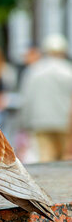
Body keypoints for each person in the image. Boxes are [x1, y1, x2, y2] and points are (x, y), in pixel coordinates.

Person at [19, 34, 72, 162]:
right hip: (65, 124)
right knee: (66, 163)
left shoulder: (34, 71)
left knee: (46, 162)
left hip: (41, 123)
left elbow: (26, 100)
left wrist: (25, 123)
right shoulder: (69, 71)